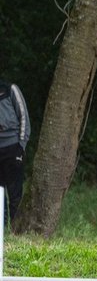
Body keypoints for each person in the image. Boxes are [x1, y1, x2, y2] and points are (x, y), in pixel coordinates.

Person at [0, 80, 31, 226]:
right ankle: (2, 228)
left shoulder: (10, 89)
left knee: (15, 194)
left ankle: (15, 229)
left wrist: (21, 146)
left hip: (13, 148)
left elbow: (24, 117)